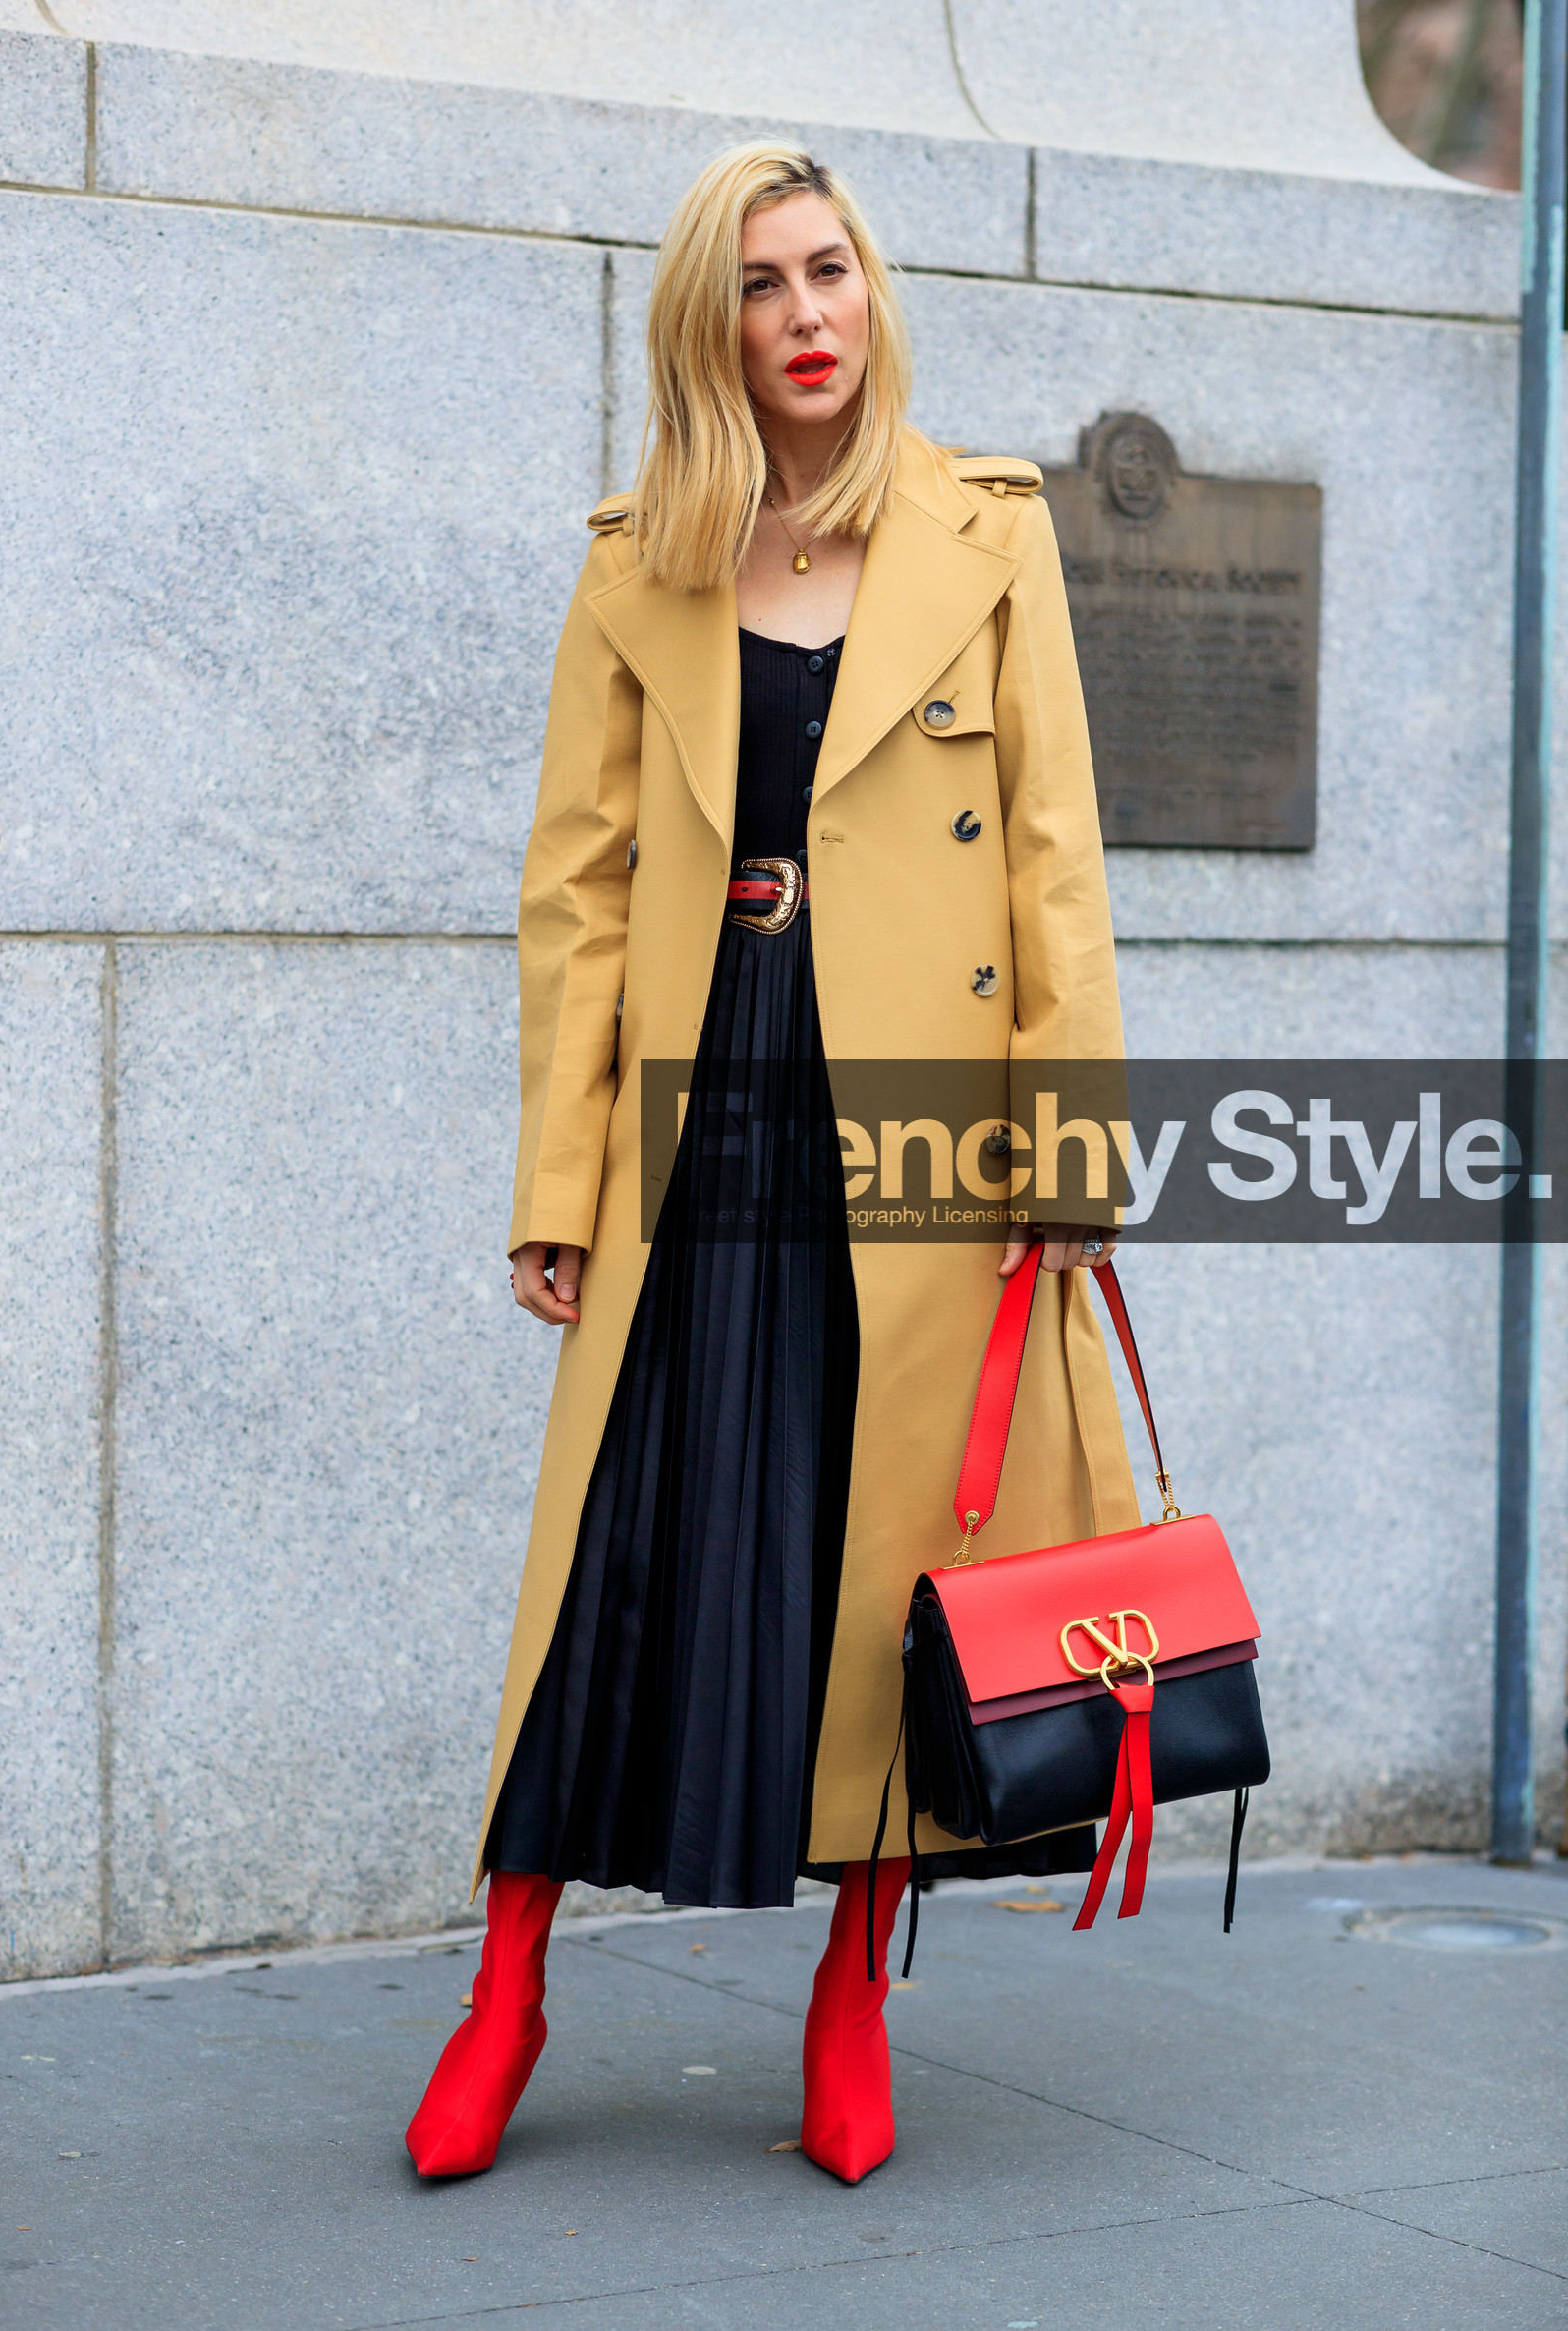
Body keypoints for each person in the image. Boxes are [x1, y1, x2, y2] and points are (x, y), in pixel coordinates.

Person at [406, 142, 1136, 2186]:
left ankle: (847, 1995)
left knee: (876, 1544)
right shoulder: (640, 554)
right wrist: (556, 1183)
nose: (806, 311)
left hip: (910, 1117)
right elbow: (575, 889)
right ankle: (506, 1986)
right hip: (694, 1097)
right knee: (617, 1549)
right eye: (760, 283)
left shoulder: (988, 537)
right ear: (706, 323)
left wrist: (1066, 1148)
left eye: (830, 270)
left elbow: (1061, 871)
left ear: (872, 291)